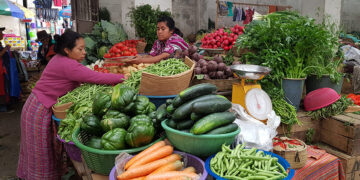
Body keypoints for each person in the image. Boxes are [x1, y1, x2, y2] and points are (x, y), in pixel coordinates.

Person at [16, 30, 125, 180]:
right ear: (67, 50)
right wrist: (123, 77)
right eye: (80, 49)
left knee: (44, 152)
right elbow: (96, 77)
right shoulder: (68, 65)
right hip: (39, 110)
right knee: (41, 154)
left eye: (84, 48)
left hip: (37, 105)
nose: (84, 52)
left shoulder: (60, 58)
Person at [0, 27, 11, 111]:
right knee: (1, 87)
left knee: (4, 87)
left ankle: (4, 104)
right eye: (1, 32)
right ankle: (2, 106)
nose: (3, 34)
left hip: (2, 69)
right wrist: (5, 49)